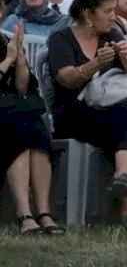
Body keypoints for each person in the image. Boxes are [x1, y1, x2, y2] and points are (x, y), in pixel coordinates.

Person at [47, 0, 127, 222]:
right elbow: (66, 79)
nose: (114, 16)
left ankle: (122, 177)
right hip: (72, 114)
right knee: (123, 124)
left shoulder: (111, 34)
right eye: (108, 11)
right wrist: (95, 65)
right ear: (87, 14)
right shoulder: (61, 38)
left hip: (104, 111)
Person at [1, 24, 62, 235]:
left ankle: (43, 213)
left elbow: (22, 88)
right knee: (17, 124)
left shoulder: (3, 40)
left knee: (33, 125)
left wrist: (19, 60)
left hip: (11, 112)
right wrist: (7, 60)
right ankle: (24, 213)